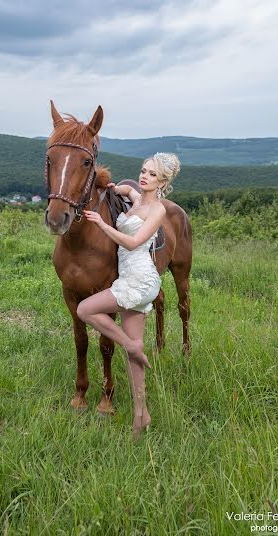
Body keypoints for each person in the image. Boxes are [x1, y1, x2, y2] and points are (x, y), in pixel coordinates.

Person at [77, 152, 181, 437]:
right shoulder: (137, 200)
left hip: (140, 280)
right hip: (131, 279)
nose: (143, 175)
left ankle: (129, 345)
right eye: (143, 170)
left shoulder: (157, 209)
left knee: (84, 310)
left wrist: (102, 223)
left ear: (162, 182)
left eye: (151, 174)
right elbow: (126, 189)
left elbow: (134, 242)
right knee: (135, 361)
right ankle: (141, 416)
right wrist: (114, 188)